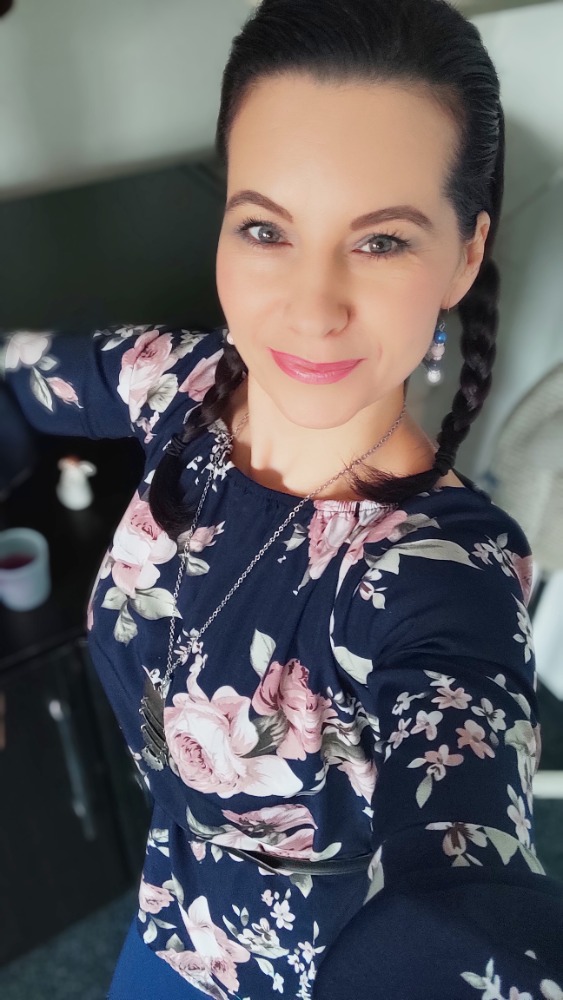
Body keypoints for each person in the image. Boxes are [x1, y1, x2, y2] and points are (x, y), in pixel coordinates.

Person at [2, 0, 563, 997]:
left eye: (381, 242)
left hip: (302, 970)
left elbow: (461, 880)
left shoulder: (443, 573)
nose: (309, 307)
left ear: (465, 255)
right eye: (265, 228)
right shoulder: (181, 381)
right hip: (172, 910)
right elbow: (16, 380)